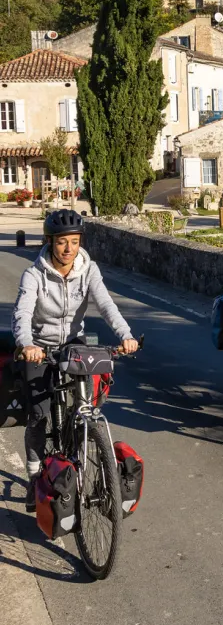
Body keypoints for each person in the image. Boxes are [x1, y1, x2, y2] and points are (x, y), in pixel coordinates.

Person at [12, 209, 138, 512]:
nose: (69, 249)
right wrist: (27, 344)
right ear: (49, 241)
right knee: (40, 416)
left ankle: (84, 444)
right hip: (40, 346)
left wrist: (126, 335)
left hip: (74, 343)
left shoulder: (88, 269)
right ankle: (34, 476)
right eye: (61, 242)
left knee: (88, 405)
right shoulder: (34, 274)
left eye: (74, 241)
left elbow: (106, 304)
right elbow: (22, 314)